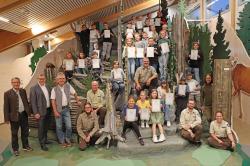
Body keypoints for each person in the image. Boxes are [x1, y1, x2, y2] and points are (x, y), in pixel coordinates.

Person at [51, 72, 81, 147]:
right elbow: (53, 101)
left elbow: (74, 93)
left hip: (66, 109)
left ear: (65, 79)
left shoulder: (68, 86)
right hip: (58, 110)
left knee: (69, 126)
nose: (62, 80)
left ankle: (67, 139)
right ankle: (62, 141)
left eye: (63, 78)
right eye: (60, 78)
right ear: (57, 80)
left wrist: (77, 101)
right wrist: (55, 111)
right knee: (59, 127)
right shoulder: (54, 89)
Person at [4, 77, 32, 156]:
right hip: (14, 117)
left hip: (23, 115)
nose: (16, 84)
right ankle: (15, 149)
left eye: (17, 82)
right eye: (14, 82)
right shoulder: (7, 93)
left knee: (25, 132)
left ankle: (25, 146)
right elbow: (6, 107)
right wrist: (6, 119)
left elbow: (26, 102)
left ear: (19, 83)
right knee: (14, 134)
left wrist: (28, 111)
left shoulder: (23, 91)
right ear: (12, 83)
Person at [30, 74, 51, 151]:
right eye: (40, 78)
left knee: (46, 126)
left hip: (48, 110)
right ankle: (42, 143)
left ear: (45, 79)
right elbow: (33, 102)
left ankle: (45, 140)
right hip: (40, 112)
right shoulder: (34, 88)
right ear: (38, 79)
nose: (42, 80)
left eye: (43, 78)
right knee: (41, 128)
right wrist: (35, 113)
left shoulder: (48, 86)